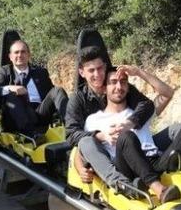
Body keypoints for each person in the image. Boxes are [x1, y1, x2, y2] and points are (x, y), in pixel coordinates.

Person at [84, 67, 181, 203]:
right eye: (113, 82)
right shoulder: (93, 120)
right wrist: (82, 168)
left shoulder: (139, 113)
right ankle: (158, 189)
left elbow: (167, 93)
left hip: (149, 163)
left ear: (128, 87)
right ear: (104, 88)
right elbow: (83, 147)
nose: (119, 86)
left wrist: (139, 72)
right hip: (124, 168)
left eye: (123, 82)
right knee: (126, 137)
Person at [66, 46, 155, 188]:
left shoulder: (118, 86)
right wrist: (101, 135)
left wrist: (130, 122)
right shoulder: (77, 100)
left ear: (105, 66)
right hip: (98, 151)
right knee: (86, 142)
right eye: (91, 70)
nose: (97, 74)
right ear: (82, 72)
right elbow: (72, 135)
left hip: (129, 147)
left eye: (100, 68)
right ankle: (120, 184)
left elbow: (147, 105)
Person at [0, 39, 68, 135]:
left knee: (57, 91)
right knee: (10, 96)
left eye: (23, 52)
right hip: (17, 117)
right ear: (10, 57)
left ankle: (70, 127)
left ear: (28, 55)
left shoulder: (41, 72)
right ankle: (30, 134)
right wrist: (9, 88)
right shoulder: (5, 71)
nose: (20, 55)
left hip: (40, 113)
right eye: (16, 52)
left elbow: (51, 94)